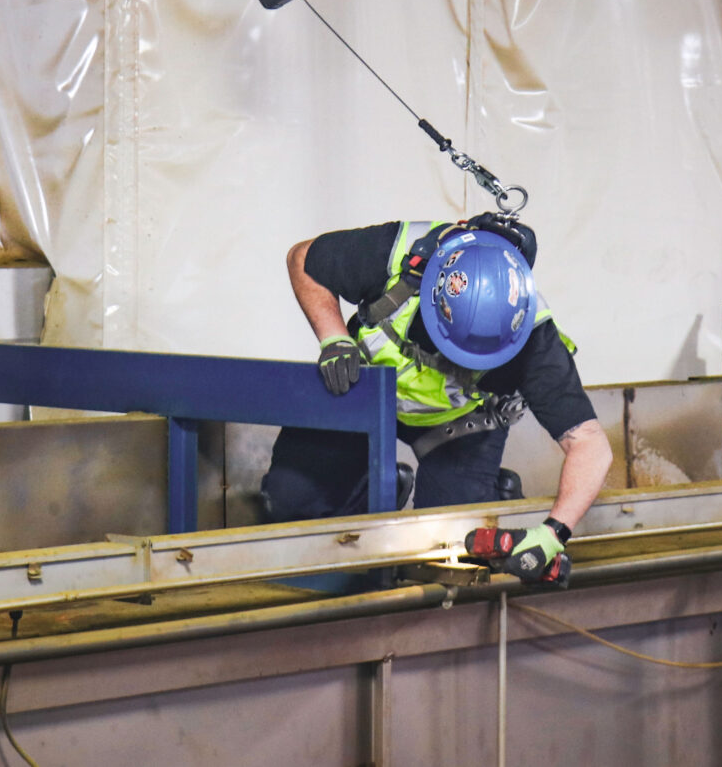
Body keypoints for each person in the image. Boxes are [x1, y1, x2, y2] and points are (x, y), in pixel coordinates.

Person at [261, 216, 613, 587]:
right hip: (363, 391)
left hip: (458, 426)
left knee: (450, 555)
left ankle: (492, 492)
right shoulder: (396, 254)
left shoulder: (535, 340)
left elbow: (590, 445)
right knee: (288, 501)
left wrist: (553, 534)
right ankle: (378, 489)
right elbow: (303, 259)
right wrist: (334, 339)